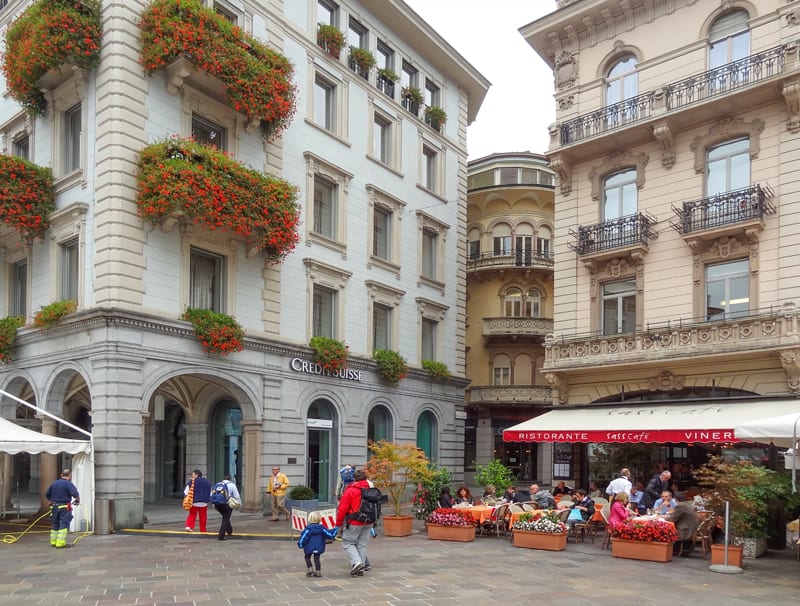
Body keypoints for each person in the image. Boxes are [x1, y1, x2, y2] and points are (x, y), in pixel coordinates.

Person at [335, 469, 374, 576]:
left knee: (348, 542)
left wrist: (338, 525)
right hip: (369, 521)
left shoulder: (351, 490)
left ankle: (357, 563)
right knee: (362, 544)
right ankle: (360, 568)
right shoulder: (371, 489)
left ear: (354, 478)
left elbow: (342, 509)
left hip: (354, 521)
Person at [45, 469, 80, 548]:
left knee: (55, 524)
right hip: (64, 508)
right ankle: (60, 543)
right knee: (63, 524)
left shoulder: (54, 483)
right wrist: (77, 500)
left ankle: (53, 542)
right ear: (70, 475)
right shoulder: (68, 484)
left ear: (61, 475)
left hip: (54, 507)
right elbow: (75, 493)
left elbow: (47, 494)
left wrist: (51, 501)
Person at [298, 511, 338, 577]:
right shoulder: (322, 529)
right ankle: (318, 571)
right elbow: (330, 534)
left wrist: (300, 544)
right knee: (317, 559)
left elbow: (303, 538)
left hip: (309, 547)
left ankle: (310, 569)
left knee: (307, 557)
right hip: (319, 547)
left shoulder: (308, 529)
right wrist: (336, 529)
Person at [213, 474, 241, 541]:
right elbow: (236, 496)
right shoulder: (232, 485)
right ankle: (221, 536)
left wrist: (214, 504)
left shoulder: (218, 484)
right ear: (230, 479)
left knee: (225, 516)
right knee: (225, 518)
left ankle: (229, 530)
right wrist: (239, 503)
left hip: (218, 504)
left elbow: (214, 494)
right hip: (227, 504)